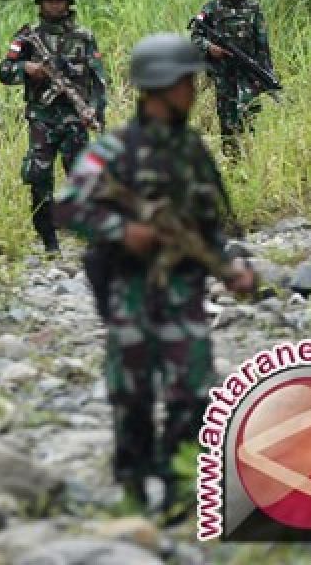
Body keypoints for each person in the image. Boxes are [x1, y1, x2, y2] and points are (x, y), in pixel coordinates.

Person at [54, 33, 255, 518]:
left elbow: (208, 226)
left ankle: (181, 483)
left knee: (195, 391)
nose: (194, 91)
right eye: (187, 83)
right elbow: (67, 205)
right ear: (161, 87)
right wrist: (123, 230)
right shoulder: (114, 150)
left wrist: (231, 267)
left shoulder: (192, 151)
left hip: (185, 289)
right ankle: (133, 485)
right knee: (133, 393)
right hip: (130, 290)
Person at [0, 0, 107, 252]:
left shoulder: (84, 38)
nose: (55, 5)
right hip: (42, 119)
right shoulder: (27, 38)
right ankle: (49, 242)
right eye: (49, 0)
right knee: (39, 178)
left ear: (68, 3)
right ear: (40, 3)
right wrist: (26, 69)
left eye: (60, 0)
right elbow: (3, 71)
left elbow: (99, 81)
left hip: (74, 118)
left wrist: (94, 110)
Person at [188, 0, 275, 157]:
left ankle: (251, 156)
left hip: (248, 71)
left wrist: (267, 73)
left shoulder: (253, 7)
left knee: (249, 114)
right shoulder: (210, 9)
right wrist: (210, 48)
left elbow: (262, 42)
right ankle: (231, 159)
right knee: (227, 118)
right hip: (223, 72)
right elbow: (195, 36)